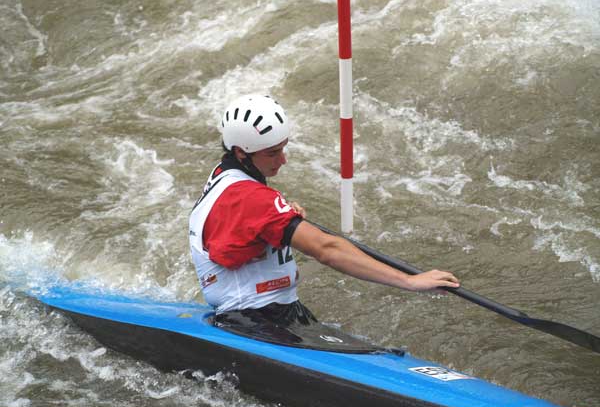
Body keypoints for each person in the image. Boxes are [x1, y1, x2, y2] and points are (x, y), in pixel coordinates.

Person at [189, 94, 459, 334]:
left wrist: (277, 220)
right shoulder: (253, 199)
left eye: (283, 148)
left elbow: (236, 227)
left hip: (266, 312)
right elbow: (326, 249)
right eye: (273, 153)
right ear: (241, 152)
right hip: (255, 319)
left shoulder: (224, 175)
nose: (282, 160)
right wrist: (410, 281)